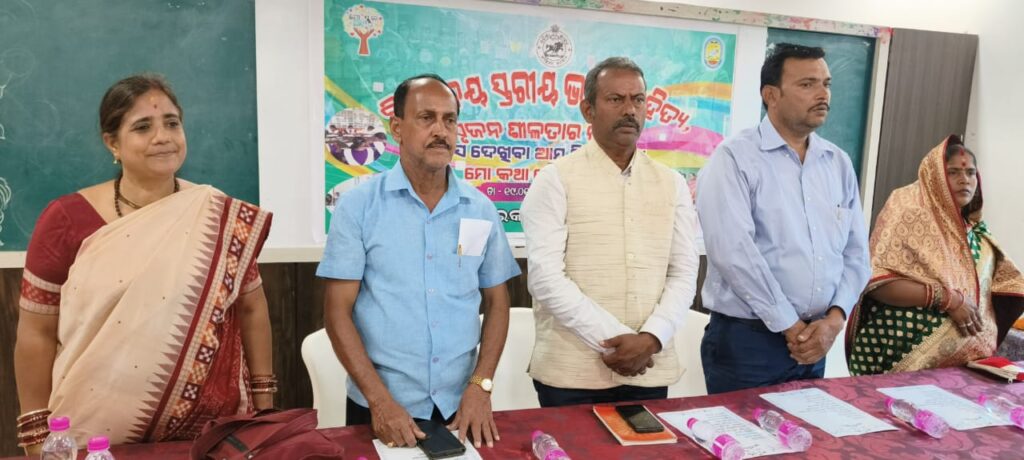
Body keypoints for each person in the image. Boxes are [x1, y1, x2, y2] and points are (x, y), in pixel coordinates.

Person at [13, 74, 274, 453]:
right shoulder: (66, 220)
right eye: (142, 127)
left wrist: (264, 404)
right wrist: (36, 434)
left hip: (210, 435)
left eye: (172, 123)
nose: (163, 137)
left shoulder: (215, 215)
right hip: (96, 438)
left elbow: (251, 307)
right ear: (112, 143)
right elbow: (36, 331)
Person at [317, 74, 520, 449]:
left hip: (461, 407)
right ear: (397, 128)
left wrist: (481, 385)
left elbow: (497, 302)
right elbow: (337, 313)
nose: (441, 131)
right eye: (427, 118)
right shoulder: (359, 207)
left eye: (449, 119)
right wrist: (380, 402)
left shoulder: (480, 209)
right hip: (381, 408)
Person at [521, 57, 700, 407]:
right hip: (572, 375)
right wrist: (617, 340)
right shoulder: (555, 179)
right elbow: (545, 278)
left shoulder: (672, 184)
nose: (630, 110)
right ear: (588, 110)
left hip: (649, 367)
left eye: (638, 99)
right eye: (616, 99)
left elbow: (683, 272)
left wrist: (651, 338)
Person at [696, 43, 870, 394]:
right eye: (807, 84)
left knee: (805, 430)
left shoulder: (837, 163)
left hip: (817, 339)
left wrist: (835, 320)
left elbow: (856, 255)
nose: (823, 94)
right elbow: (734, 253)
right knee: (745, 430)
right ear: (771, 95)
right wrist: (790, 326)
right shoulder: (735, 159)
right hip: (748, 343)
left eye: (826, 83)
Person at [847, 136, 1024, 374]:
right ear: (935, 175)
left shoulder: (976, 233)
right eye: (953, 172)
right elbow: (876, 282)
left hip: (963, 370)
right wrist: (949, 300)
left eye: (971, 173)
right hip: (901, 360)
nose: (964, 179)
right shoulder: (907, 210)